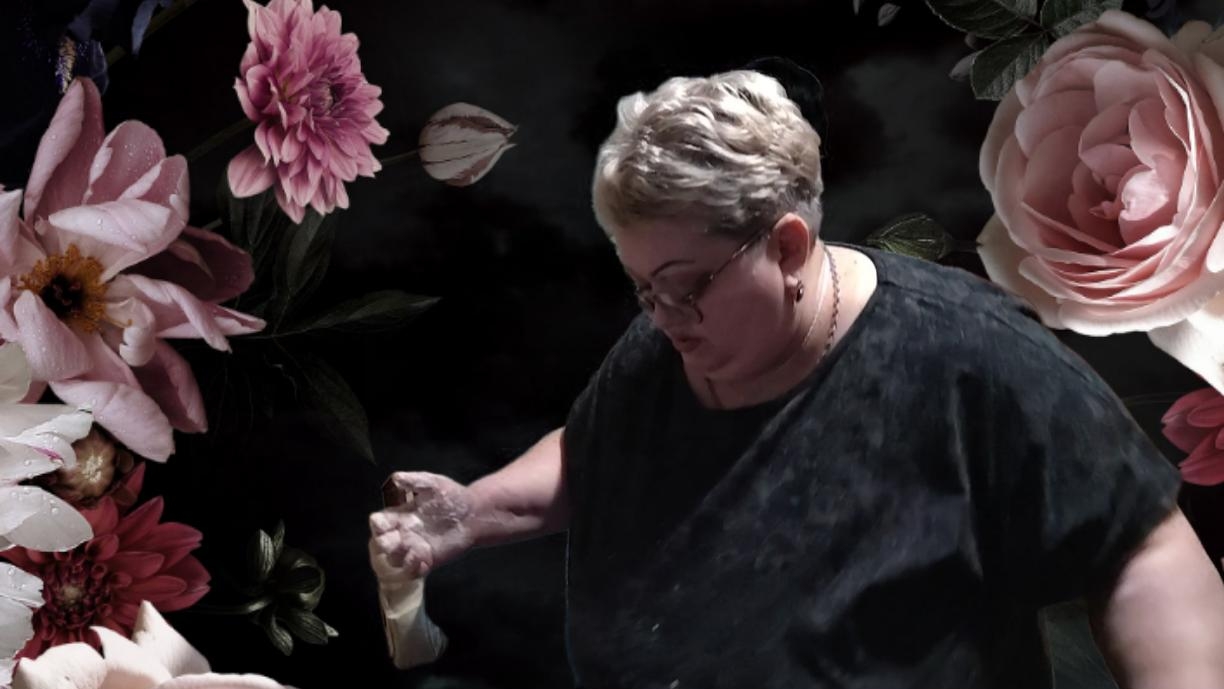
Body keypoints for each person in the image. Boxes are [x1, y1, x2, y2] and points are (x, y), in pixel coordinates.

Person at [368, 69, 1224, 688]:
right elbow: (594, 453)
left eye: (685, 284)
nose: (661, 315)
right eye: (642, 287)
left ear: (786, 246)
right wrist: (471, 513)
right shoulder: (669, 343)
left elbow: (1144, 549)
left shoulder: (972, 357)